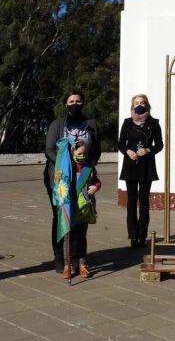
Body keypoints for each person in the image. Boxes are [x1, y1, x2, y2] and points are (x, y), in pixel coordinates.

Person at [44, 89, 102, 274]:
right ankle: (61, 258)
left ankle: (78, 258)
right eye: (71, 101)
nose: (75, 104)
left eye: (78, 101)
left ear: (83, 103)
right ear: (65, 103)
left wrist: (88, 167)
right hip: (61, 177)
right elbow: (49, 150)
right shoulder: (57, 124)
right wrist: (65, 164)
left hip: (83, 175)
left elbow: (96, 150)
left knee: (80, 220)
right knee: (61, 216)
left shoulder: (91, 124)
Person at [118, 94, 163, 248]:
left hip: (146, 166)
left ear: (147, 105)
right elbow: (120, 143)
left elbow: (160, 144)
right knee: (131, 201)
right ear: (132, 106)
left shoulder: (154, 123)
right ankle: (132, 235)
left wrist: (148, 150)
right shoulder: (127, 122)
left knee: (143, 201)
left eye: (142, 103)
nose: (139, 105)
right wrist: (127, 152)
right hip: (131, 165)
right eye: (136, 103)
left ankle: (142, 235)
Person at [61, 140, 101, 278]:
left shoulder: (89, 168)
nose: (82, 156)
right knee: (68, 238)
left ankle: (82, 263)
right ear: (73, 152)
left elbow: (97, 181)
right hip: (70, 208)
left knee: (81, 237)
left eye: (85, 153)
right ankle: (68, 265)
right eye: (79, 153)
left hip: (84, 209)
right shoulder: (67, 166)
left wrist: (96, 187)